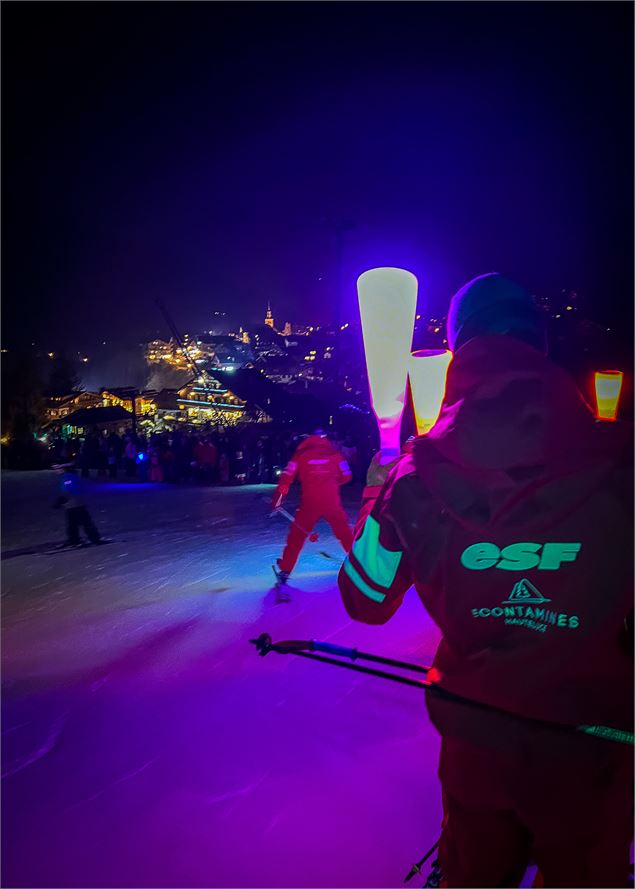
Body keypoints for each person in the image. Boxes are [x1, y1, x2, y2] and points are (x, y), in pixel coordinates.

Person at [338, 273, 633, 888]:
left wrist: (379, 492)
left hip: (479, 743)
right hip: (594, 748)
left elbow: (364, 599)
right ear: (540, 346)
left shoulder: (416, 473)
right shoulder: (621, 461)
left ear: (459, 349)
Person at [272, 429, 354, 596]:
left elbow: (286, 479)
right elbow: (347, 476)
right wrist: (331, 481)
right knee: (344, 533)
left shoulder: (300, 454)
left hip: (309, 503)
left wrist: (277, 501)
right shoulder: (335, 453)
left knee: (296, 537)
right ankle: (361, 565)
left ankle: (286, 570)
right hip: (331, 501)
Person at [52, 463, 103, 547]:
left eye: (56, 468)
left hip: (76, 503)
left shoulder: (68, 477)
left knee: (85, 521)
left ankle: (94, 538)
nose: (55, 471)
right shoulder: (64, 477)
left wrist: (61, 500)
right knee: (72, 523)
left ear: (62, 469)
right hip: (70, 504)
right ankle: (74, 539)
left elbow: (69, 490)